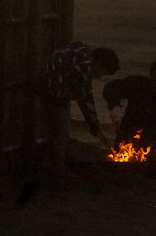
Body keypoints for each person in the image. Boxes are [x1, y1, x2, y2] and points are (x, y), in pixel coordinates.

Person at [34, 41, 119, 177]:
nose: (101, 77)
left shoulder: (85, 53)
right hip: (51, 89)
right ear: (99, 64)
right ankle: (58, 171)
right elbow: (83, 98)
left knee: (56, 129)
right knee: (61, 132)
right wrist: (93, 124)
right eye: (103, 73)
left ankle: (54, 164)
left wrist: (94, 122)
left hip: (53, 84)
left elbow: (85, 91)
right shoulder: (83, 67)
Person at [102, 57, 156, 176]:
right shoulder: (138, 85)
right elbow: (110, 89)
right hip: (127, 140)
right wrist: (115, 108)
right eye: (154, 80)